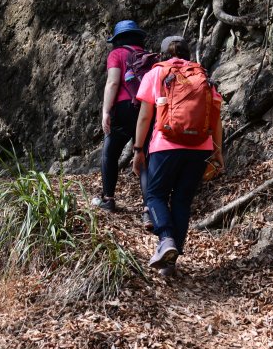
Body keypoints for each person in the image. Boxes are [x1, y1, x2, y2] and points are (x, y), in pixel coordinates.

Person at [131, 36, 217, 277]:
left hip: (166, 144)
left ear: (161, 55)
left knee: (155, 195)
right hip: (201, 147)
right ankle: (170, 263)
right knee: (181, 200)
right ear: (188, 55)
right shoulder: (203, 76)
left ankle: (166, 239)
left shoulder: (156, 74)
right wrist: (217, 151)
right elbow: (215, 118)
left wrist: (138, 150)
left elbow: (145, 117)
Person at [93, 19, 155, 217]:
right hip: (146, 108)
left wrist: (105, 111)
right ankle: (148, 208)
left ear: (117, 39)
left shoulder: (117, 54)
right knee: (144, 155)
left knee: (110, 152)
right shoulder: (148, 56)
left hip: (124, 108)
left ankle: (108, 199)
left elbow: (112, 83)